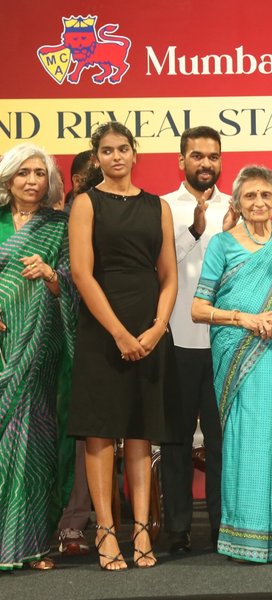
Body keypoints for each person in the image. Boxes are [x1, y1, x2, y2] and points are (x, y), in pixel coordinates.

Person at [67, 121, 179, 570]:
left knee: (139, 432)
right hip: (102, 327)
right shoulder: (85, 203)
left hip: (149, 329)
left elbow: (168, 275)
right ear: (98, 157)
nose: (116, 156)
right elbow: (80, 274)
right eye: (107, 151)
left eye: (123, 149)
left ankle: (141, 532)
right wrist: (117, 332)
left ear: (135, 153)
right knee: (100, 432)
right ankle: (107, 534)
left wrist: (156, 328)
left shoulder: (158, 207)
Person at [191, 165, 272, 564]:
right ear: (237, 203)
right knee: (250, 440)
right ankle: (246, 535)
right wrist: (243, 319)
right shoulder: (222, 245)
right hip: (239, 355)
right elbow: (198, 308)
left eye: (266, 195)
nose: (259, 202)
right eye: (249, 196)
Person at [0, 143, 77, 571]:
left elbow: (75, 283)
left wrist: (51, 273)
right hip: (1, 345)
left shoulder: (60, 226)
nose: (32, 181)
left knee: (34, 442)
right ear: (8, 179)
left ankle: (30, 544)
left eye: (39, 173)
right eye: (23, 173)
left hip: (42, 348)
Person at [161, 126, 233, 553]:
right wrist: (194, 231)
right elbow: (159, 269)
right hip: (178, 340)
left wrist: (227, 234)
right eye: (197, 156)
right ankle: (177, 530)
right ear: (181, 160)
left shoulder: (238, 205)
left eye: (213, 156)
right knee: (176, 441)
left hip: (226, 343)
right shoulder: (164, 208)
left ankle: (226, 528)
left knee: (224, 442)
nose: (206, 163)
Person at [56, 153, 104, 557]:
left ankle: (75, 521)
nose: (94, 180)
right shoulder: (53, 222)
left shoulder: (113, 217)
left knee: (83, 430)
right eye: (87, 175)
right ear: (72, 179)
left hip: (90, 333)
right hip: (42, 332)